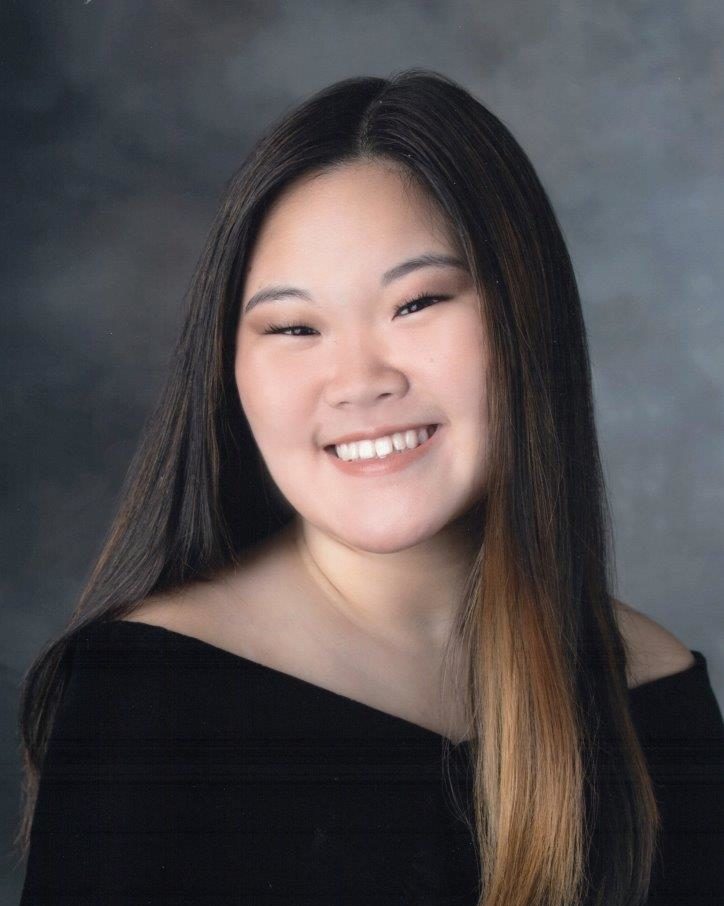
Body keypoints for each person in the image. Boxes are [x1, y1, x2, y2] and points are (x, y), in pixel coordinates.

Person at [14, 69, 723, 906]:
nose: (359, 380)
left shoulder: (656, 691)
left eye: (417, 304)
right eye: (293, 328)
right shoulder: (152, 693)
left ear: (527, 318)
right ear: (229, 372)